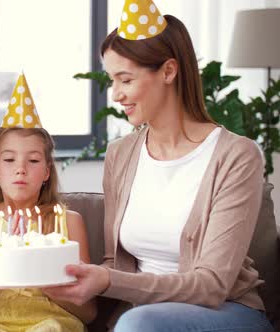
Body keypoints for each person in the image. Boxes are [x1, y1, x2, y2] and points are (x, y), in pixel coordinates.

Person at [42, 1, 274, 331]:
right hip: (142, 315)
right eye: (112, 80)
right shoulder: (120, 155)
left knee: (139, 323)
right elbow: (116, 262)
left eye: (125, 79)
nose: (115, 95)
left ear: (168, 71)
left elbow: (212, 284)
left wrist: (108, 280)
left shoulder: (236, 156)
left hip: (226, 311)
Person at [0, 74, 97, 332]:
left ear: (47, 172)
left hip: (55, 323)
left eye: (32, 161)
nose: (21, 169)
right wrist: (0, 272)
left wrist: (41, 272)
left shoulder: (69, 222)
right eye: (9, 160)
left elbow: (88, 312)